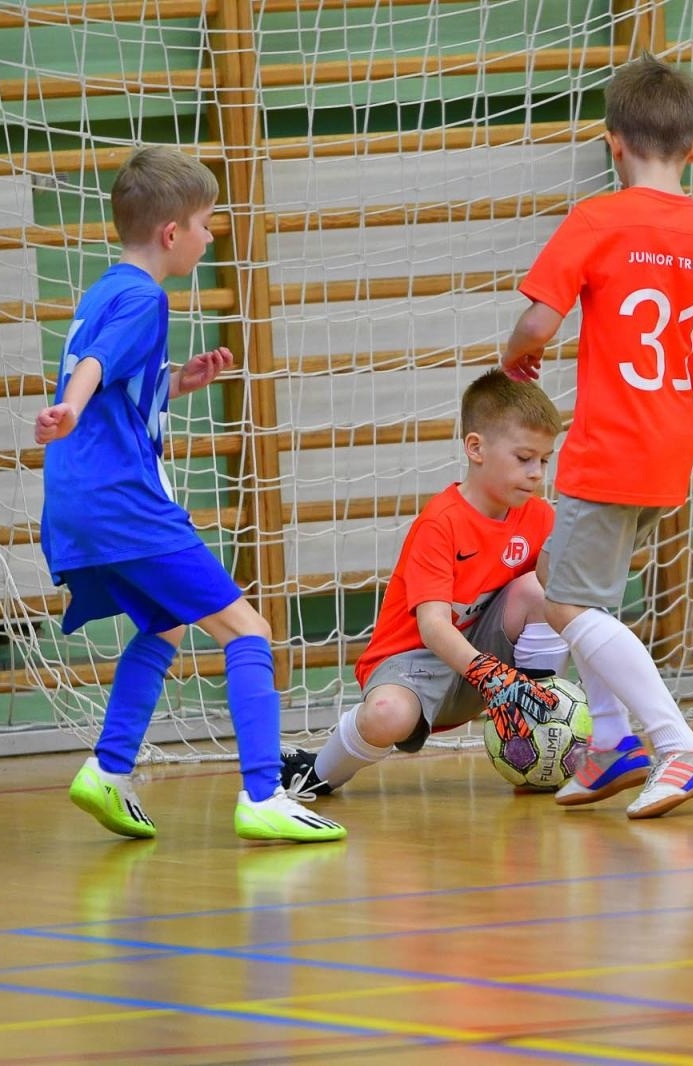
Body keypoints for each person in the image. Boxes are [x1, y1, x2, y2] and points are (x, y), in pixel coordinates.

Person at [34, 146, 343, 844]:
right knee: (248, 630)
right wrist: (71, 410)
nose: (211, 235)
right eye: (206, 223)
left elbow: (118, 379)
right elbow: (96, 367)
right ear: (172, 234)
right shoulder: (147, 297)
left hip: (78, 501)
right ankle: (264, 793)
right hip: (123, 503)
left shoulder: (105, 289)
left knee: (166, 624)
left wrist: (175, 383)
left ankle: (108, 771)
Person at [500, 55, 693, 818]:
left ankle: (677, 742)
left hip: (608, 447)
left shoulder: (597, 220)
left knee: (566, 607)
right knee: (570, 585)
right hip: (669, 446)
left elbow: (537, 321)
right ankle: (612, 743)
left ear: (612, 143)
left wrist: (516, 358)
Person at [280, 369, 600, 796]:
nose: (536, 473)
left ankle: (538, 721)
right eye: (524, 458)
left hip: (490, 665)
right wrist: (491, 677)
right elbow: (433, 627)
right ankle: (319, 772)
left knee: (541, 591)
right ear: (476, 448)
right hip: (416, 663)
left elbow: (559, 597)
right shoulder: (440, 523)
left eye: (544, 460)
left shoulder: (539, 515)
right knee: (386, 715)